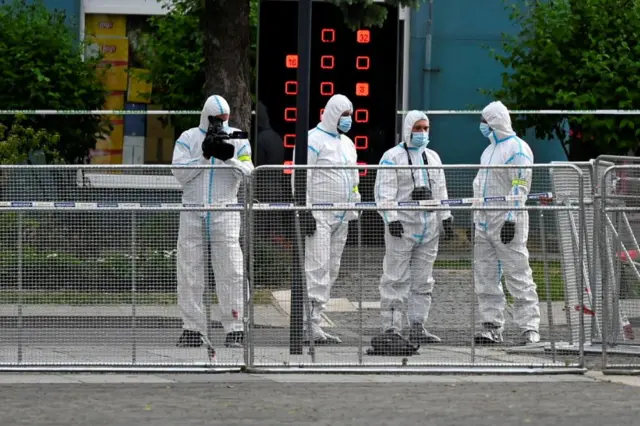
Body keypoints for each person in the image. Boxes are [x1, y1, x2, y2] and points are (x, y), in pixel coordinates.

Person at [171, 94, 254, 349]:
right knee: (189, 271)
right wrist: (204, 156)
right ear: (206, 117)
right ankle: (192, 328)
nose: (221, 125)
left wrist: (227, 156)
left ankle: (236, 327)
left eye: (224, 120)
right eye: (217, 121)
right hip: (192, 211)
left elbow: (249, 172)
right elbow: (180, 175)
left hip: (225, 210)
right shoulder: (188, 138)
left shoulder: (238, 139)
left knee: (231, 271)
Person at [368, 110, 453, 355]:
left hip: (429, 228)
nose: (422, 133)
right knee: (395, 279)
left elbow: (442, 190)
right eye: (418, 128)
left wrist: (445, 216)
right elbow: (383, 191)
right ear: (407, 129)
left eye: (426, 128)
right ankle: (391, 328)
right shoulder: (392, 157)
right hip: (402, 229)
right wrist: (391, 218)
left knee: (424, 280)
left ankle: (418, 325)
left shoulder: (433, 158)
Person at [292, 94, 360, 344]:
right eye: (344, 115)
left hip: (341, 216)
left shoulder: (348, 144)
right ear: (332, 114)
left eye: (350, 115)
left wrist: (354, 205)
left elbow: (353, 179)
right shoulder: (311, 140)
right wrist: (304, 209)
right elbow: (300, 176)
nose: (348, 120)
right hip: (318, 215)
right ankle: (304, 324)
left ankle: (315, 322)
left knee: (331, 269)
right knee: (316, 268)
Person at [473, 100, 540, 345]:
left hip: (507, 220)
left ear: (494, 122)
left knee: (518, 274)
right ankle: (491, 325)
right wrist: (478, 219)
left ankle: (529, 327)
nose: (481, 125)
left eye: (484, 121)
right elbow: (482, 186)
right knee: (485, 276)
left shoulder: (517, 149)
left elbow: (520, 185)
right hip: (484, 222)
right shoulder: (489, 150)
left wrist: (511, 218)